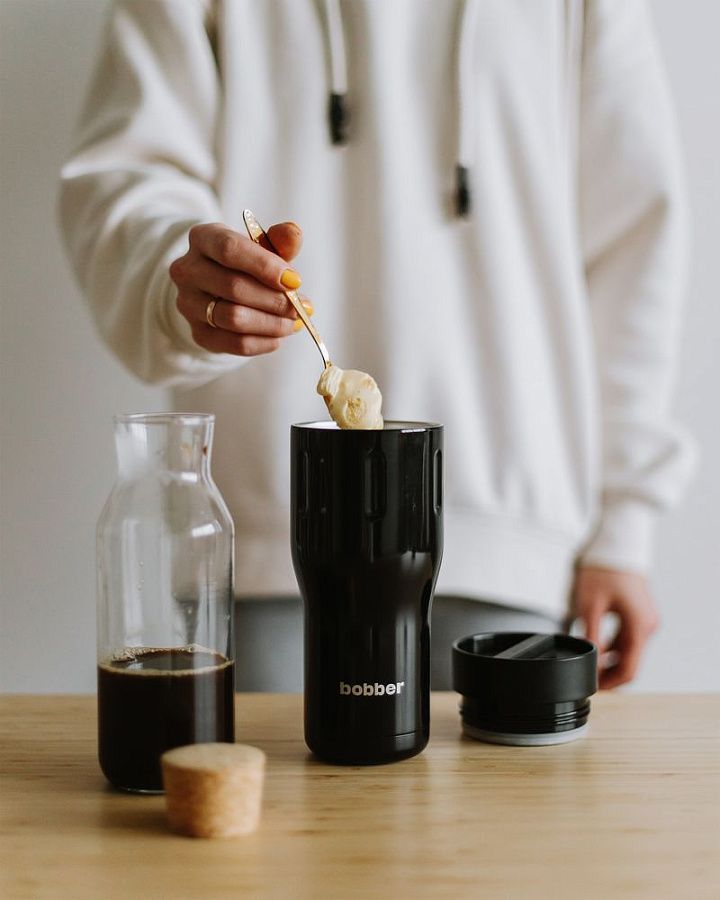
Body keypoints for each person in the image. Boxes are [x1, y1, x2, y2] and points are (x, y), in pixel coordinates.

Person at [59, 0, 694, 691]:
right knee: (269, 768)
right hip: (269, 538)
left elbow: (634, 246)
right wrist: (181, 289)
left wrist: (624, 526)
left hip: (511, 538)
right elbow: (124, 180)